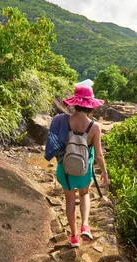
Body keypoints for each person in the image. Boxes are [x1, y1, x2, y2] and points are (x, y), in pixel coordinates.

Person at [47, 85, 109, 248]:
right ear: (91, 105)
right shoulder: (95, 127)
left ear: (74, 103)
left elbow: (55, 143)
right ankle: (85, 226)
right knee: (84, 194)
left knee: (69, 200)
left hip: (65, 169)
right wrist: (104, 173)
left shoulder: (62, 120)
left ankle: (74, 237)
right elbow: (98, 155)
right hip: (84, 170)